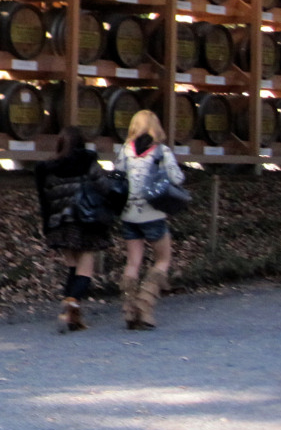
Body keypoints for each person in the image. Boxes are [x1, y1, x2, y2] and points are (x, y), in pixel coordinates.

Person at [35, 126, 112, 332]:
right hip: (86, 221)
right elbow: (105, 188)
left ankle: (72, 315)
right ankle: (71, 304)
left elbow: (44, 201)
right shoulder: (88, 162)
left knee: (72, 266)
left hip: (59, 223)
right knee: (85, 268)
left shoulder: (46, 168)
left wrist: (48, 227)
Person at [114, 109, 186, 330]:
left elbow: (116, 175)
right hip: (152, 213)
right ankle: (144, 306)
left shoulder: (126, 150)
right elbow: (177, 178)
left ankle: (129, 310)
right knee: (163, 259)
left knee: (132, 262)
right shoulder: (161, 152)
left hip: (129, 214)